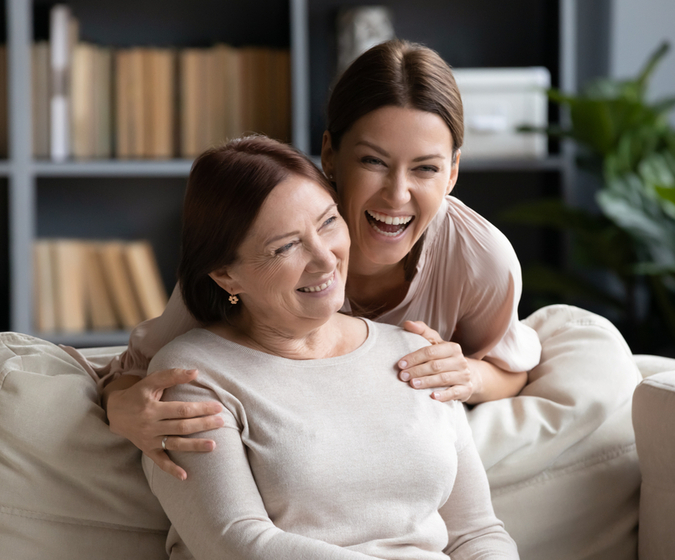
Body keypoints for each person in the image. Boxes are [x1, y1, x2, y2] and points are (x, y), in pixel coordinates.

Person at [91, 39, 543, 481]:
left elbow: (510, 373)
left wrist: (467, 375)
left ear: (453, 172)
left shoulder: (482, 257)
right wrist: (120, 406)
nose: (397, 194)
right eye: (373, 161)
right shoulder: (260, 237)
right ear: (330, 154)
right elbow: (133, 373)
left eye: (426, 168)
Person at [143, 135, 519, 559]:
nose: (325, 259)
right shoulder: (193, 377)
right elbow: (237, 544)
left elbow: (477, 533)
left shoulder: (415, 351)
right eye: (285, 246)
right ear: (227, 276)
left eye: (327, 222)